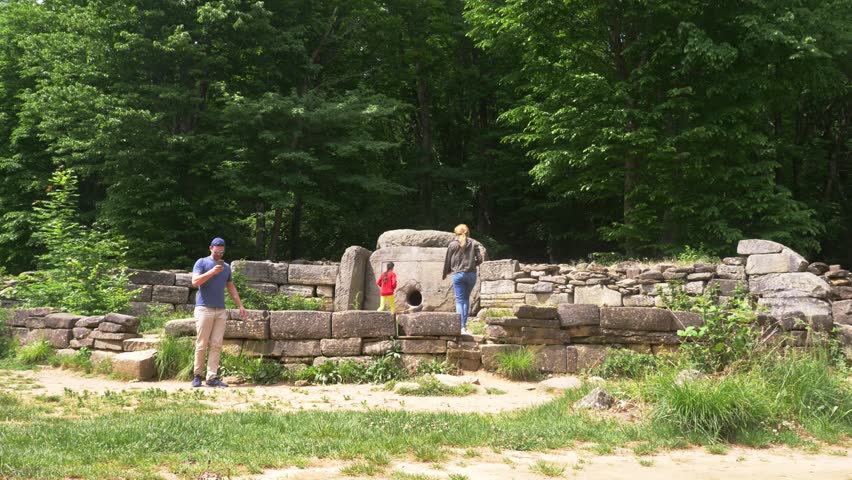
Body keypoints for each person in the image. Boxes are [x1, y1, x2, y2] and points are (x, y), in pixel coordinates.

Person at [190, 237, 246, 387]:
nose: (219, 255)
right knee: (201, 343)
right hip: (204, 308)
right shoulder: (201, 262)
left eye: (221, 252)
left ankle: (211, 377)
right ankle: (197, 375)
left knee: (216, 344)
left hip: (220, 310)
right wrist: (212, 272)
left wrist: (240, 305)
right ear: (210, 248)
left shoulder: (226, 267)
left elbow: (231, 287)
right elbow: (195, 282)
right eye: (216, 252)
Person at [442, 224, 485, 334]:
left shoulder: (453, 244)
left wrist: (446, 273)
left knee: (459, 301)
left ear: (456, 233)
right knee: (466, 300)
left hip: (459, 275)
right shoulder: (474, 243)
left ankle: (461, 327)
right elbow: (480, 259)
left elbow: (447, 260)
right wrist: (472, 265)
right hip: (471, 275)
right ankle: (464, 327)